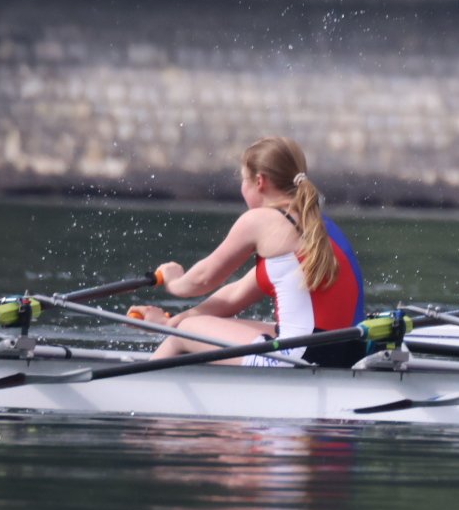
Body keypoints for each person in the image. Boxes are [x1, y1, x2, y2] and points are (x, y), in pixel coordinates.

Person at [129, 136, 369, 368]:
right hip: (343, 354)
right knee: (186, 327)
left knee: (183, 334)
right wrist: (171, 322)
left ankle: (137, 393)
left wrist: (173, 281)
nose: (242, 188)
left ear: (259, 181)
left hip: (300, 357)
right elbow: (234, 296)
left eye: (244, 179)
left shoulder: (260, 220)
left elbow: (202, 280)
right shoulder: (319, 227)